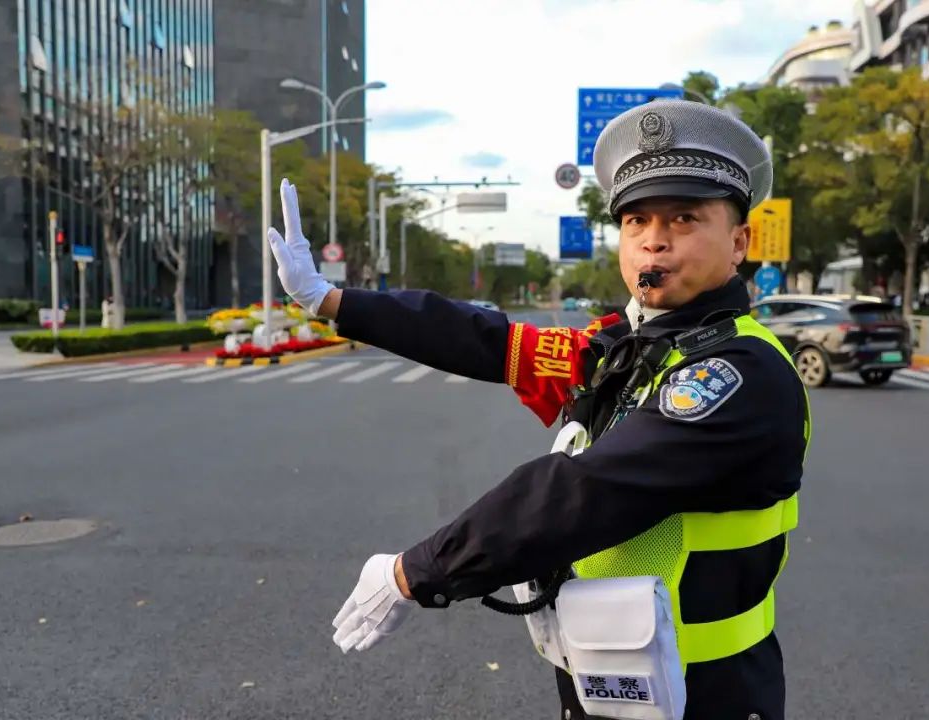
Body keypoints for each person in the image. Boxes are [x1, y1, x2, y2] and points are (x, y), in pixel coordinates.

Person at [267, 99, 809, 720]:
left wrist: (416, 571)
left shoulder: (737, 371)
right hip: (616, 684)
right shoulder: (633, 349)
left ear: (738, 241)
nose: (654, 239)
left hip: (707, 697)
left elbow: (583, 488)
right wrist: (333, 300)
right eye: (635, 221)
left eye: (684, 218)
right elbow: (488, 340)